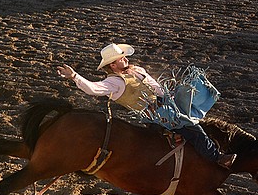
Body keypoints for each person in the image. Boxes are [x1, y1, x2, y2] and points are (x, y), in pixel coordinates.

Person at [56, 43, 235, 169]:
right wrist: (74, 77)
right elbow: (93, 89)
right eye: (121, 57)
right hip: (154, 116)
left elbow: (156, 87)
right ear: (113, 64)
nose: (125, 58)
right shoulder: (114, 82)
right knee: (193, 128)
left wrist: (170, 95)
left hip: (166, 106)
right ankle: (216, 158)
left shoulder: (138, 70)